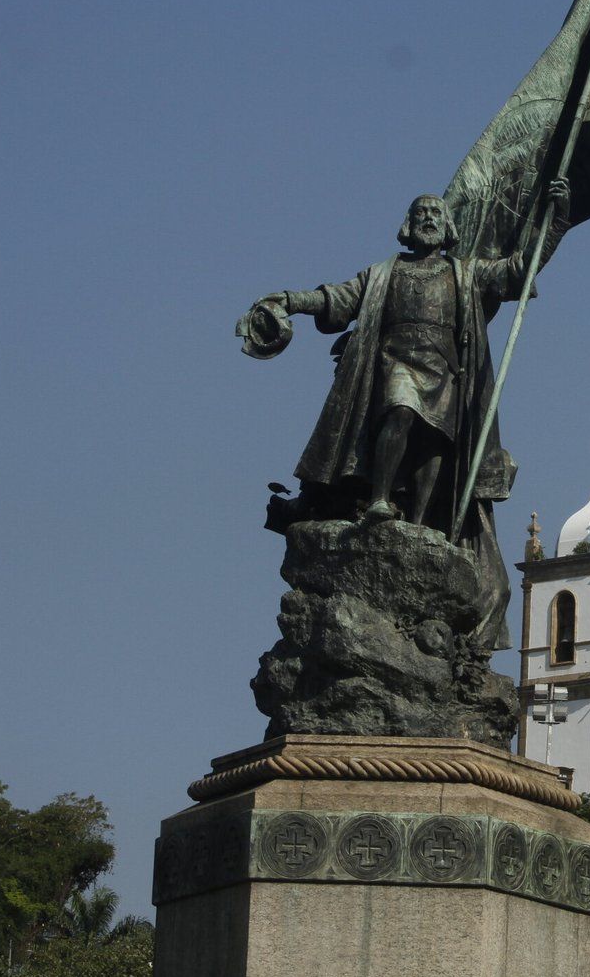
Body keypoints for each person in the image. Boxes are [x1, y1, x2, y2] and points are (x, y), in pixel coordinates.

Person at [240, 181, 569, 650]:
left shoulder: (466, 273)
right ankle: (377, 498)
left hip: (446, 373)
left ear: (448, 226)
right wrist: (289, 299)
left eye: (436, 213)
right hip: (395, 362)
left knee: (436, 446)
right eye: (421, 213)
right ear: (408, 227)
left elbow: (518, 271)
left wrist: (554, 222)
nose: (430, 218)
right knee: (399, 409)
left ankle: (416, 523)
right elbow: (336, 298)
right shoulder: (383, 274)